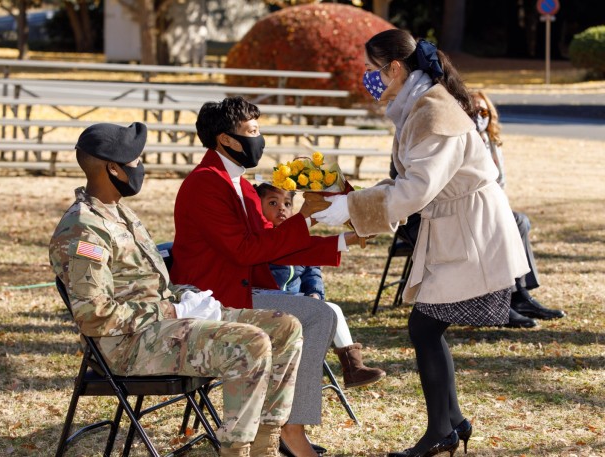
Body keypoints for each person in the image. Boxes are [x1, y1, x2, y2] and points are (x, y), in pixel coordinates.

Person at [312, 30, 530, 457]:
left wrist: (353, 210)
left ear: (395, 68)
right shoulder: (419, 103)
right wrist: (350, 200)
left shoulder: (432, 110)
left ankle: (442, 431)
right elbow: (402, 181)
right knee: (426, 327)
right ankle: (451, 423)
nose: (369, 79)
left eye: (374, 70)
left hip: (471, 231)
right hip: (457, 227)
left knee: (425, 326)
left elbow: (415, 189)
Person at [49, 122, 305, 457]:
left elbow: (147, 284)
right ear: (112, 168)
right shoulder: (83, 230)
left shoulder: (118, 212)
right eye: (135, 161)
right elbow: (94, 315)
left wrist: (189, 296)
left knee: (285, 327)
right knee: (252, 343)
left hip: (162, 325)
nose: (140, 167)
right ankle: (237, 451)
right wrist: (175, 311)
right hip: (128, 344)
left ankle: (265, 443)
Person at [170, 96, 356, 457]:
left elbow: (272, 247)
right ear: (226, 140)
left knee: (318, 313)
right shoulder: (206, 184)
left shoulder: (238, 183)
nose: (260, 139)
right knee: (320, 314)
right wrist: (308, 218)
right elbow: (244, 252)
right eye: (253, 131)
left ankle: (284, 426)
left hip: (243, 288)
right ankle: (289, 428)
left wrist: (344, 240)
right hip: (215, 297)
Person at [255, 183, 386, 388]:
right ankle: (352, 366)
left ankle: (353, 366)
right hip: (268, 303)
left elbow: (312, 272)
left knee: (325, 307)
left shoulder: (300, 237)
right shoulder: (260, 238)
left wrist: (315, 293)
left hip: (298, 302)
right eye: (273, 202)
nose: (281, 208)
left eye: (287, 203)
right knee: (332, 309)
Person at [472, 90, 566, 327]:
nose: (478, 116)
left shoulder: (491, 142)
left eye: (483, 111)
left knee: (520, 221)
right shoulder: (464, 141)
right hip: (470, 210)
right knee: (507, 224)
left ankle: (520, 295)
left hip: (492, 205)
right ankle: (507, 299)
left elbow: (499, 182)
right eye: (473, 111)